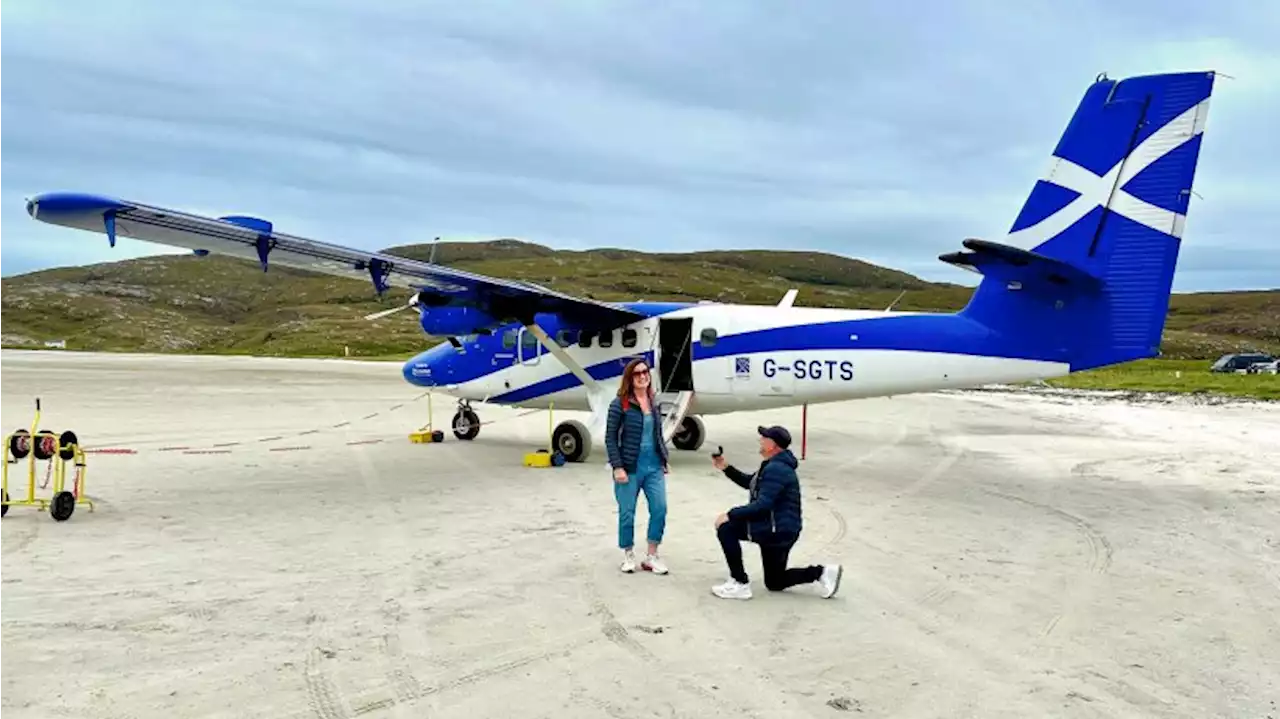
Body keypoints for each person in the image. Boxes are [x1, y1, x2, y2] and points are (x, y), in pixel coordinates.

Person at [710, 425, 842, 599]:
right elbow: (752, 482)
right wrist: (726, 468)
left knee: (726, 528)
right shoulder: (775, 465)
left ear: (772, 445)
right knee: (775, 581)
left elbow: (763, 505)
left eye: (764, 438)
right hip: (783, 529)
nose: (760, 441)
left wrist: (730, 514)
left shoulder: (776, 469)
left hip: (774, 529)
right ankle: (822, 573)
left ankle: (739, 582)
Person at [605, 358, 670, 575]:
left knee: (660, 508)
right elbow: (610, 438)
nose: (643, 376)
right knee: (627, 513)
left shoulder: (654, 402)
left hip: (653, 465)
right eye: (637, 373)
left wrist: (664, 458)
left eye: (645, 372)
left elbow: (658, 434)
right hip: (629, 466)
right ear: (630, 378)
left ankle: (652, 555)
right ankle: (628, 554)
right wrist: (617, 467)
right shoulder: (619, 404)